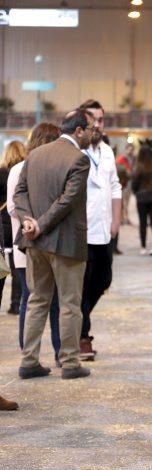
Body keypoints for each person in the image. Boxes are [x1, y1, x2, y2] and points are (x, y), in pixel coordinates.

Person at [13, 109, 96, 380]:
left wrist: (29, 222)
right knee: (70, 303)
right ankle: (70, 363)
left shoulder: (35, 154)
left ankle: (29, 361)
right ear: (79, 130)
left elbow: (19, 193)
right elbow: (66, 201)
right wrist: (40, 224)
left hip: (35, 243)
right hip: (66, 244)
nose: (93, 133)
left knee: (37, 301)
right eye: (91, 128)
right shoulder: (79, 160)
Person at [6, 123, 63, 366]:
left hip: (52, 245)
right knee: (28, 299)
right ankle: (28, 354)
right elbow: (11, 206)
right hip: (25, 246)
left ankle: (61, 352)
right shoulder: (19, 169)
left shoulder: (57, 167)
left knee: (57, 302)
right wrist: (36, 223)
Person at [76, 100, 122, 361]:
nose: (97, 123)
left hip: (103, 230)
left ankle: (80, 320)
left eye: (101, 119)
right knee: (80, 287)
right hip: (80, 231)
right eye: (92, 118)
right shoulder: (74, 151)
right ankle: (83, 337)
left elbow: (115, 186)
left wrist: (116, 220)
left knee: (104, 280)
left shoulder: (106, 150)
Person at [1, 141, 25, 315]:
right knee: (18, 266)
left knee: (1, 266)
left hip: (1, 226)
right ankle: (16, 303)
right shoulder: (24, 172)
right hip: (17, 223)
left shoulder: (1, 172)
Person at [131, 143, 152, 256]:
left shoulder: (138, 167)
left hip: (142, 199)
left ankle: (143, 247)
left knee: (143, 223)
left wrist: (136, 193)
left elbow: (134, 184)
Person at [115, 142, 135, 225]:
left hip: (130, 182)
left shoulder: (134, 158)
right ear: (126, 149)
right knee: (122, 201)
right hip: (123, 182)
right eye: (129, 149)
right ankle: (122, 217)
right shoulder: (121, 158)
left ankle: (126, 217)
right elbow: (118, 169)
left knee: (127, 201)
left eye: (132, 149)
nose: (130, 151)